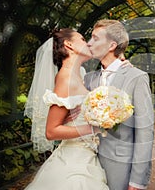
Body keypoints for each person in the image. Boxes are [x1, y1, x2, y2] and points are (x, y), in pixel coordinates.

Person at [24, 28, 109, 190]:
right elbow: (51, 132)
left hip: (86, 156)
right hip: (73, 162)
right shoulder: (66, 79)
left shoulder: (80, 74)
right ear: (69, 45)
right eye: (83, 39)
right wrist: (93, 128)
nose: (88, 43)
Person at [84, 19, 154, 190]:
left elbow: (145, 131)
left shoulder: (136, 77)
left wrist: (137, 180)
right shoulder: (88, 79)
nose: (89, 43)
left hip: (120, 166)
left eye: (95, 38)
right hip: (87, 162)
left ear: (111, 45)